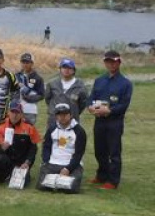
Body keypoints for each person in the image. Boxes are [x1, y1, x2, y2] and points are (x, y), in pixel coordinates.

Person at [87, 50, 133, 190]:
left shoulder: (126, 83)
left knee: (114, 152)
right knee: (99, 150)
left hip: (114, 122)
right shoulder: (99, 80)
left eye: (114, 61)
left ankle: (113, 181)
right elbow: (91, 97)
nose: (111, 64)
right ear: (105, 63)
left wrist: (110, 111)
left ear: (119, 62)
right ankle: (101, 175)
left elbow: (124, 105)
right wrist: (90, 107)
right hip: (99, 120)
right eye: (108, 61)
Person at [37, 103, 86, 194]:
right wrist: (46, 161)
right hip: (53, 163)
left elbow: (79, 153)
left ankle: (60, 180)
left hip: (71, 165)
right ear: (56, 116)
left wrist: (68, 169)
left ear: (70, 115)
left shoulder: (79, 131)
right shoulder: (52, 129)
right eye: (59, 115)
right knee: (42, 186)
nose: (62, 117)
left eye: (65, 114)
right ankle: (56, 179)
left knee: (70, 188)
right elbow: (46, 147)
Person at [0, 100, 41, 186]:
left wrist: (27, 162)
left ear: (22, 114)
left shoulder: (29, 126)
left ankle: (15, 173)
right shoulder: (0, 126)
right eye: (12, 112)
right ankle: (6, 173)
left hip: (23, 161)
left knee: (23, 183)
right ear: (8, 112)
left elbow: (33, 148)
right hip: (8, 159)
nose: (15, 115)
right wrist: (2, 148)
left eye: (17, 112)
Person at [44, 58, 88, 127]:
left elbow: (83, 103)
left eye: (69, 68)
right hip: (54, 120)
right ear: (60, 69)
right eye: (64, 67)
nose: (66, 70)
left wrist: (74, 111)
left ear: (73, 70)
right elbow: (47, 99)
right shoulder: (52, 83)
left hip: (72, 120)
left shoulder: (80, 85)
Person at [14, 53, 45, 125]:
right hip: (16, 110)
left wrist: (29, 98)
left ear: (32, 63)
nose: (25, 64)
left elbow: (41, 95)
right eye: (23, 62)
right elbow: (12, 91)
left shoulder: (38, 78)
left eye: (27, 62)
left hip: (30, 110)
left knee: (28, 132)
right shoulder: (16, 76)